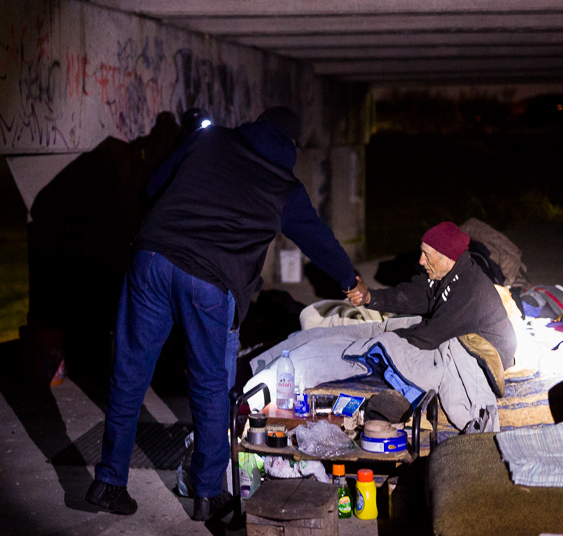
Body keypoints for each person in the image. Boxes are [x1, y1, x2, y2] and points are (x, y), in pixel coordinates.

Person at [85, 106, 365, 520]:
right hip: (209, 281)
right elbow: (317, 239)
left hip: (152, 259)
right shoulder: (284, 187)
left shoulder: (208, 139)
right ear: (291, 147)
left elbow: (153, 188)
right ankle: (206, 494)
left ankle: (108, 482)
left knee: (129, 374)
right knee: (210, 386)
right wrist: (350, 282)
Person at [348, 221, 517, 368]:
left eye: (427, 255)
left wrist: (386, 338)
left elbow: (430, 337)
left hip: (491, 359)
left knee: (403, 356)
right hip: (459, 337)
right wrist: (371, 297)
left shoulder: (468, 289)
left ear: (448, 259)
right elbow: (412, 295)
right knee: (395, 331)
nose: (421, 261)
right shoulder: (443, 274)